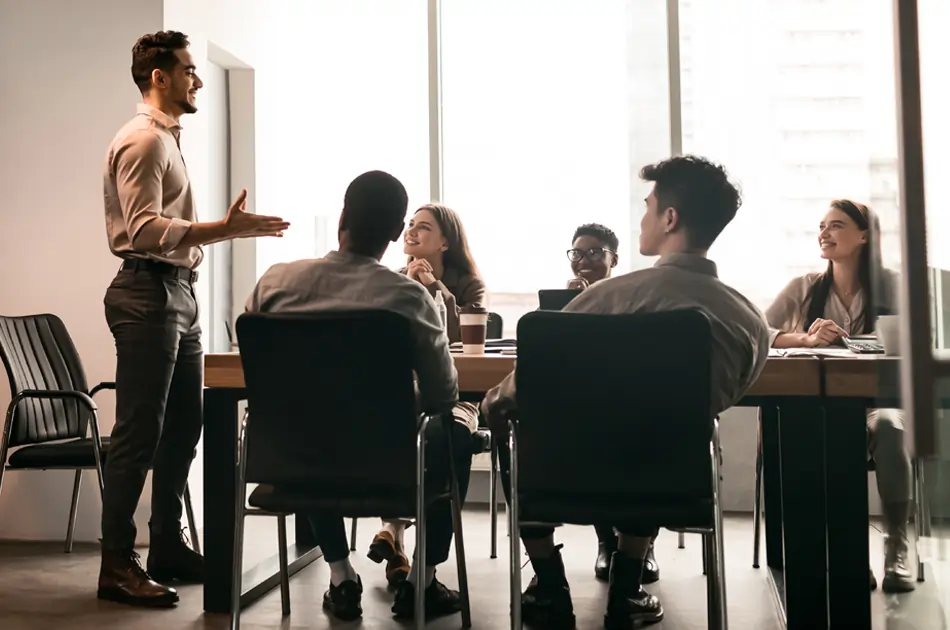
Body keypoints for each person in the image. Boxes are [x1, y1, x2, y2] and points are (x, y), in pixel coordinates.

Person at [483, 155, 771, 629]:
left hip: (562, 476)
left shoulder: (601, 299)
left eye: (648, 206)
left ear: (670, 219)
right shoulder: (748, 322)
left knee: (510, 424)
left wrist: (495, 405)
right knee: (658, 433)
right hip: (670, 484)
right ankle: (627, 587)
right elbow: (717, 400)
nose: (643, 217)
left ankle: (550, 586)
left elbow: (519, 389)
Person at [98, 31, 289, 608]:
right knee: (138, 433)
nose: (196, 79)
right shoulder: (144, 143)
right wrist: (224, 230)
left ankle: (166, 548)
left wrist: (216, 237)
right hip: (147, 293)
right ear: (160, 76)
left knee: (185, 425)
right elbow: (144, 229)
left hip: (177, 293)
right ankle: (116, 564)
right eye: (187, 69)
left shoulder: (167, 140)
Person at [245, 171, 472, 622]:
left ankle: (340, 576)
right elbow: (442, 394)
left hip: (293, 460)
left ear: (342, 218)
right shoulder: (409, 298)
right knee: (457, 424)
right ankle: (421, 582)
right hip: (388, 464)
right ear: (394, 233)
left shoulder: (274, 284)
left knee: (313, 427)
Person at [766, 199, 914, 593]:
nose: (824, 233)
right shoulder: (803, 288)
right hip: (821, 407)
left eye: (836, 225)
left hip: (882, 404)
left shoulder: (894, 286)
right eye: (822, 226)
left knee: (889, 425)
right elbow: (756, 333)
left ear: (864, 236)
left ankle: (897, 545)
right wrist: (805, 338)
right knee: (819, 432)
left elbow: (920, 342)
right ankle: (846, 550)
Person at [368, 203, 486, 587]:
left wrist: (435, 288)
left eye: (423, 228)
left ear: (446, 241)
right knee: (406, 432)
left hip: (454, 393)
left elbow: (460, 340)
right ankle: (399, 544)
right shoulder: (390, 280)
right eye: (409, 226)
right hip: (400, 396)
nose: (411, 232)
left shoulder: (469, 285)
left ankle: (396, 534)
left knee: (442, 433)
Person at [564, 223, 663, 584]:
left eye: (594, 252)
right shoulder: (563, 300)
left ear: (614, 259)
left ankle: (643, 545)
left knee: (639, 442)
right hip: (585, 401)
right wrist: (568, 307)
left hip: (632, 399)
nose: (584, 260)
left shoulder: (632, 297)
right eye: (577, 253)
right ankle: (606, 543)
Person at [566, 223, 619, 290]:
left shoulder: (627, 298)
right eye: (576, 254)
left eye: (594, 253)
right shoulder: (562, 299)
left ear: (614, 260)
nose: (583, 262)